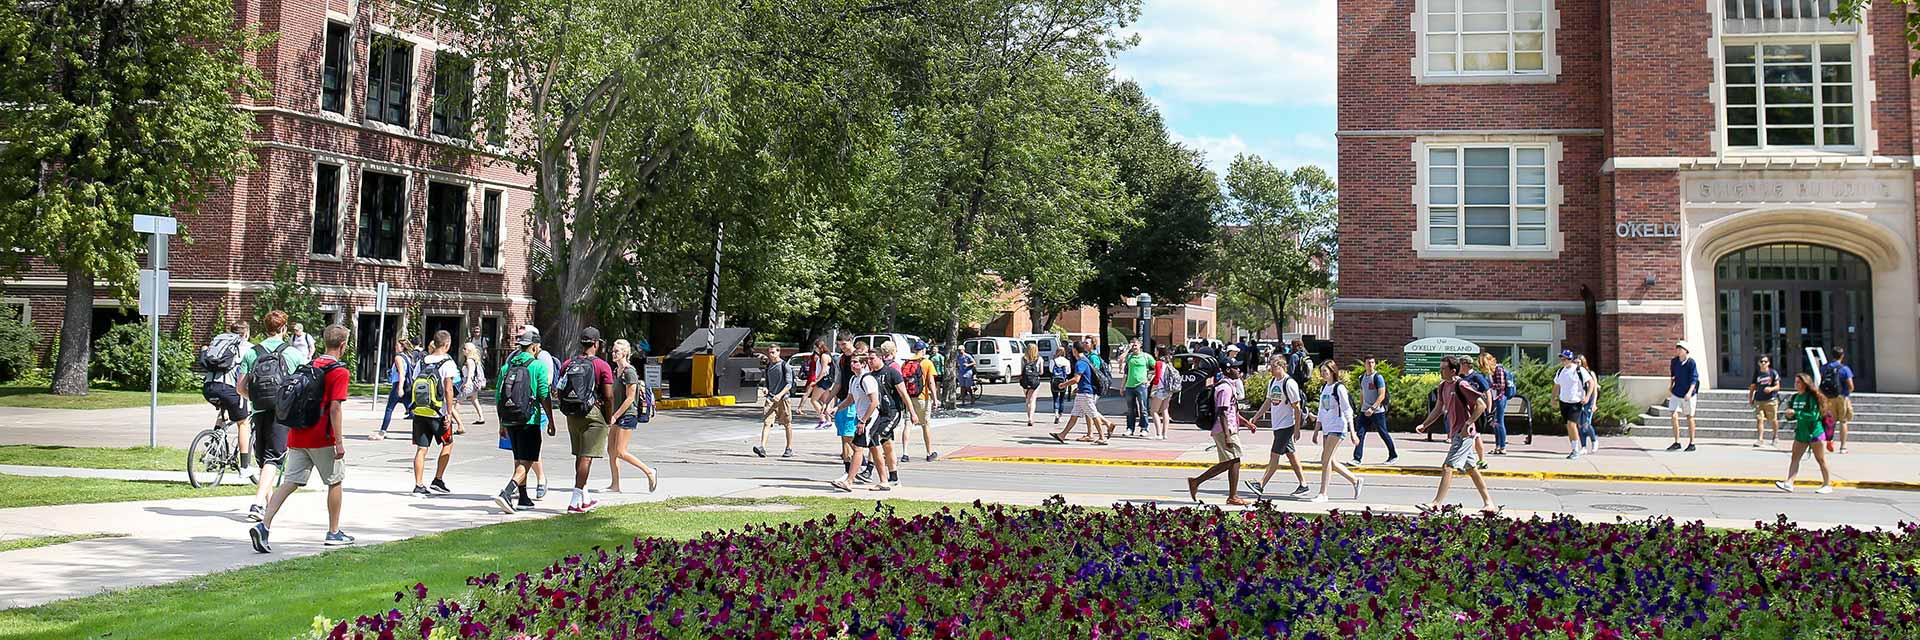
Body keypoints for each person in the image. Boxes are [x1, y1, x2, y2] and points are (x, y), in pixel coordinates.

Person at [248, 324, 353, 552]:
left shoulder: (309, 365)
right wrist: (339, 442)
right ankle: (334, 532)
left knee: (289, 483)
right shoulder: (339, 372)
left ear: (324, 341)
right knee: (335, 481)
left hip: (297, 434)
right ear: (343, 345)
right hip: (323, 437)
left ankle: (264, 525)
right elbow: (335, 408)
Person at [236, 311, 309, 523]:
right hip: (282, 412)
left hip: (259, 411)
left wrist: (257, 398)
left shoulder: (252, 352)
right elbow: (304, 385)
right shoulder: (293, 353)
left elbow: (240, 387)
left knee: (264, 459)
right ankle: (258, 504)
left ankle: (267, 508)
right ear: (284, 329)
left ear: (264, 328)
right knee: (274, 457)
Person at [1414, 356, 1498, 514]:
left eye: (1443, 369)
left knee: (1448, 467)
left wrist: (1468, 424)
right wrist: (1425, 424)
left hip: (1464, 433)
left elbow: (1481, 404)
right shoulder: (1443, 386)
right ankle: (1489, 504)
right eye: (1440, 368)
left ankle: (1436, 504)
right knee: (1472, 468)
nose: (1440, 371)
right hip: (1456, 433)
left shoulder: (1462, 384)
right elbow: (1438, 408)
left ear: (1453, 371)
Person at [492, 328, 555, 514]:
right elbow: (544, 394)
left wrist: (501, 423)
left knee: (518, 458)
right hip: (530, 419)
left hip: (510, 419)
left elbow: (498, 396)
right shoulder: (537, 366)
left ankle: (524, 498)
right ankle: (507, 492)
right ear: (534, 347)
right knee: (528, 460)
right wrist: (551, 420)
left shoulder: (506, 367)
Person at [553, 328, 616, 513]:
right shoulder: (602, 366)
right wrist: (607, 417)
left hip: (572, 415)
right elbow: (609, 396)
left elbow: (559, 389)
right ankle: (574, 502)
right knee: (587, 457)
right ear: (596, 343)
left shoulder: (568, 363)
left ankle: (585, 498)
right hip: (592, 414)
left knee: (580, 455)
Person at [1185, 367, 1255, 506]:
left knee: (1233, 461)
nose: (1238, 371)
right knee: (1232, 461)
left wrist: (1246, 423)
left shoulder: (1229, 385)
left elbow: (1232, 410)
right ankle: (1198, 482)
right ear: (1228, 370)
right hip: (1224, 429)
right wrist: (1228, 436)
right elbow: (1222, 412)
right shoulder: (1225, 388)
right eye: (1235, 368)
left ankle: (1230, 495)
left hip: (1229, 428)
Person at [1244, 356, 1309, 498]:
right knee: (1291, 455)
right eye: (1270, 366)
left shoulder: (1289, 383)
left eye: (1273, 366)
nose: (1270, 369)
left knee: (1274, 456)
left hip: (1286, 426)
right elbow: (1268, 402)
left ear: (1281, 366)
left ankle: (1260, 484)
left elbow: (1297, 408)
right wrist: (1256, 417)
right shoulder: (1273, 382)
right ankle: (1304, 484)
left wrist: (1297, 429)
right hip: (1277, 425)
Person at [406, 331, 461, 498]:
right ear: (446, 345)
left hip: (421, 410)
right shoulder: (447, 362)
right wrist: (449, 413)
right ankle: (438, 479)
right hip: (439, 412)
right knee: (448, 443)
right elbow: (448, 389)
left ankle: (418, 485)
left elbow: (414, 383)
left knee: (421, 449)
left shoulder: (421, 361)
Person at [201, 321, 252, 480]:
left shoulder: (218, 343)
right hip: (228, 388)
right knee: (243, 423)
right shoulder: (247, 347)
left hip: (208, 387)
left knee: (225, 412)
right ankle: (245, 467)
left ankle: (214, 445)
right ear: (245, 334)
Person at [606, 339, 658, 491]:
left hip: (627, 415)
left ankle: (649, 472)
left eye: (617, 351)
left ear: (625, 353)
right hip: (616, 414)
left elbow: (630, 398)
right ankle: (615, 485)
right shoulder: (616, 371)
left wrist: (615, 415)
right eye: (613, 351)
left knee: (621, 451)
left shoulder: (630, 372)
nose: (614, 354)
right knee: (611, 450)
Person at [1309, 361, 1363, 503]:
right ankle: (1355, 480)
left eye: (1325, 371)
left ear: (1333, 371)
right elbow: (1321, 411)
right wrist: (1316, 431)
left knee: (1325, 460)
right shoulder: (1324, 388)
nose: (1323, 374)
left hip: (1338, 427)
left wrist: (1353, 432)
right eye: (1321, 371)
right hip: (1327, 428)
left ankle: (1323, 493)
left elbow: (1347, 410)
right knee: (1330, 461)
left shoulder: (1339, 388)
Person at [1775, 373, 1835, 494]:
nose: (1796, 384)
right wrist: (1789, 416)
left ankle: (1827, 484)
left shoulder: (1811, 397)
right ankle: (1789, 482)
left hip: (1815, 433)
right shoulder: (1795, 397)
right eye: (1795, 382)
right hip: (1801, 433)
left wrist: (1796, 413)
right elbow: (1793, 416)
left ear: (1805, 384)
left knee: (1820, 459)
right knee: (1795, 458)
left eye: (1798, 382)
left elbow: (1813, 416)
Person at [830, 354, 880, 492]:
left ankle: (849, 481)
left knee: (857, 447)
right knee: (874, 448)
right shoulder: (854, 379)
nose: (852, 364)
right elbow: (850, 399)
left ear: (864, 364)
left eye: (856, 362)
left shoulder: (867, 379)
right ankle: (885, 481)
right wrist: (837, 408)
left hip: (870, 418)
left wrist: (863, 421)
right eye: (852, 362)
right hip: (862, 417)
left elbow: (874, 402)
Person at [1049, 343, 1109, 445]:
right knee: (1074, 415)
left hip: (1085, 393)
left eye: (1072, 350)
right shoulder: (1085, 360)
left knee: (1094, 415)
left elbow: (1076, 379)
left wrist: (1063, 384)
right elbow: (1085, 378)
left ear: (1075, 351)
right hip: (1082, 392)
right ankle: (1062, 435)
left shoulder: (1080, 363)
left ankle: (1102, 437)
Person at [899, 341, 941, 462]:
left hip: (909, 397)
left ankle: (905, 453)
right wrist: (935, 398)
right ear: (923, 350)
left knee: (908, 424)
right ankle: (929, 452)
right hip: (923, 398)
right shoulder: (927, 363)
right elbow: (931, 382)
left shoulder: (906, 363)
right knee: (925, 424)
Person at [1351, 357, 1397, 465]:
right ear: (1365, 364)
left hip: (1377, 412)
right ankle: (1357, 458)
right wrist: (1361, 408)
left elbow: (1381, 395)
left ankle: (1393, 455)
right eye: (1368, 363)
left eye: (1372, 362)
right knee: (1360, 434)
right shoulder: (1362, 377)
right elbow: (1362, 393)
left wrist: (1373, 408)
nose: (1371, 365)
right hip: (1364, 411)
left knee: (1383, 433)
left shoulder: (1378, 377)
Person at [371, 337, 415, 442]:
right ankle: (420, 431)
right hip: (408, 386)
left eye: (397, 345)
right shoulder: (408, 357)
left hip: (399, 385)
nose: (395, 347)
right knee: (411, 410)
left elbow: (401, 373)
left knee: (389, 409)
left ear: (402, 347)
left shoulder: (398, 358)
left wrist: (400, 388)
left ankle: (382, 432)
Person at [755, 345, 795, 459]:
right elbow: (767, 382)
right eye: (769, 352)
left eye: (773, 352)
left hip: (783, 399)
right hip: (771, 399)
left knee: (787, 423)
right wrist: (766, 388)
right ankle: (762, 447)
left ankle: (789, 447)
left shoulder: (784, 365)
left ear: (778, 352)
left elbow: (789, 384)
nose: (771, 355)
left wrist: (780, 395)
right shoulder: (768, 366)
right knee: (767, 422)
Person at [1552, 350, 1590, 459]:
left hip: (1576, 402)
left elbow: (1591, 383)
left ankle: (1576, 450)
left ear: (1570, 359)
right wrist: (1553, 399)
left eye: (1564, 359)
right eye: (1561, 359)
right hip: (1564, 402)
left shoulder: (1579, 370)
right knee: (1568, 426)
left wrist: (1587, 397)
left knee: (1571, 425)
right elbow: (1556, 386)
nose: (1562, 361)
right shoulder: (1561, 371)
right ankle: (1573, 448)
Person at [1667, 341, 1701, 452]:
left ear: (1686, 351)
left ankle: (1692, 442)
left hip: (1688, 393)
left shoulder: (1691, 363)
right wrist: (1671, 386)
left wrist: (1689, 392)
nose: (1678, 350)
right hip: (1677, 392)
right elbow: (1673, 376)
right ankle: (1677, 441)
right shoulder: (1674, 362)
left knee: (1689, 416)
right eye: (1677, 348)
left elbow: (1694, 379)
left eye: (1680, 348)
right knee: (1673, 414)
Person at [1822, 349, 1856, 454]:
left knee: (1830, 421)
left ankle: (1829, 440)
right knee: (1843, 421)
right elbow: (1851, 386)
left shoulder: (1824, 367)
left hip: (1828, 397)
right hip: (1841, 397)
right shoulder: (1845, 369)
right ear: (1842, 356)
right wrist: (1846, 393)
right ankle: (1843, 447)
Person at [1479, 353, 1512, 456]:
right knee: (1495, 424)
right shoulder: (1489, 372)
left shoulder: (1498, 369)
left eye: (1483, 364)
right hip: (1493, 398)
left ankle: (1502, 447)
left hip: (1500, 398)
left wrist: (1488, 385)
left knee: (1500, 422)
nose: (1482, 367)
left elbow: (1501, 386)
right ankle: (1497, 446)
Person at [1123, 339, 1154, 438]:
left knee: (1143, 408)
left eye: (1136, 345)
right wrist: (1128, 349)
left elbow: (1156, 368)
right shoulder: (1129, 356)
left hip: (1141, 385)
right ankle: (1130, 428)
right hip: (1129, 385)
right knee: (1130, 409)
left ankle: (1144, 428)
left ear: (1140, 345)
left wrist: (1149, 380)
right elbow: (1121, 361)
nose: (1134, 347)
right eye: (1133, 345)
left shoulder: (1146, 356)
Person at [1750, 355, 1782, 448]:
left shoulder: (1773, 373)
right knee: (1760, 419)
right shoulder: (1757, 373)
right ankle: (1760, 439)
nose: (1763, 363)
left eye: (1765, 361)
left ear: (1768, 363)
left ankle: (1775, 437)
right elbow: (1752, 387)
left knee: (1773, 419)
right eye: (1761, 361)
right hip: (1759, 400)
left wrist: (1771, 389)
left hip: (1771, 400)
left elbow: (1778, 386)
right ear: (1758, 363)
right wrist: (1750, 398)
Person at [1148, 346, 1176, 440]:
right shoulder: (1168, 363)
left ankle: (1158, 433)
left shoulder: (1159, 363)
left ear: (1158, 352)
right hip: (1169, 389)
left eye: (1155, 351)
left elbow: (1157, 377)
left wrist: (1152, 388)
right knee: (1165, 410)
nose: (1154, 352)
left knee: (1154, 411)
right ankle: (1164, 434)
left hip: (1160, 389)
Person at [806, 339, 835, 429]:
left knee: (813, 400)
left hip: (823, 380)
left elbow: (823, 370)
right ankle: (829, 421)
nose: (814, 350)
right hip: (826, 380)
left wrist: (816, 381)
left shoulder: (824, 356)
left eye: (815, 347)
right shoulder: (825, 355)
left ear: (818, 347)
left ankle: (822, 419)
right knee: (825, 401)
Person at [458, 343, 487, 428]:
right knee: (474, 400)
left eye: (464, 349)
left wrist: (467, 382)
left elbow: (470, 373)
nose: (463, 350)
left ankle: (453, 417)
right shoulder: (474, 360)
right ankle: (481, 417)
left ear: (469, 351)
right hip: (474, 384)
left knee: (459, 400)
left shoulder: (469, 361)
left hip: (469, 383)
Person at [1576, 355, 1600, 454]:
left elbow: (1594, 390)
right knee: (1580, 425)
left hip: (1588, 401)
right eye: (1575, 363)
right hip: (1579, 401)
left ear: (1583, 363)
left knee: (1586, 423)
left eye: (1579, 363)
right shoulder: (1575, 373)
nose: (1577, 365)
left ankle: (1594, 441)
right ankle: (1584, 447)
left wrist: (1594, 403)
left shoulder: (1590, 374)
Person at [1019, 343, 1043, 427]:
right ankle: (1031, 418)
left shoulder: (1023, 359)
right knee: (1033, 400)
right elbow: (1041, 372)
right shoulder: (1039, 359)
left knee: (1027, 400)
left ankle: (1028, 417)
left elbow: (1022, 370)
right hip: (1035, 382)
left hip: (1025, 381)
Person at [1049, 347, 1072, 424]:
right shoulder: (1067, 361)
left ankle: (1056, 414)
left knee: (1055, 398)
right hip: (1063, 381)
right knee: (1062, 399)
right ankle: (1060, 415)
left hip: (1054, 381)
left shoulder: (1053, 360)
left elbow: (1051, 370)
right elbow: (1068, 372)